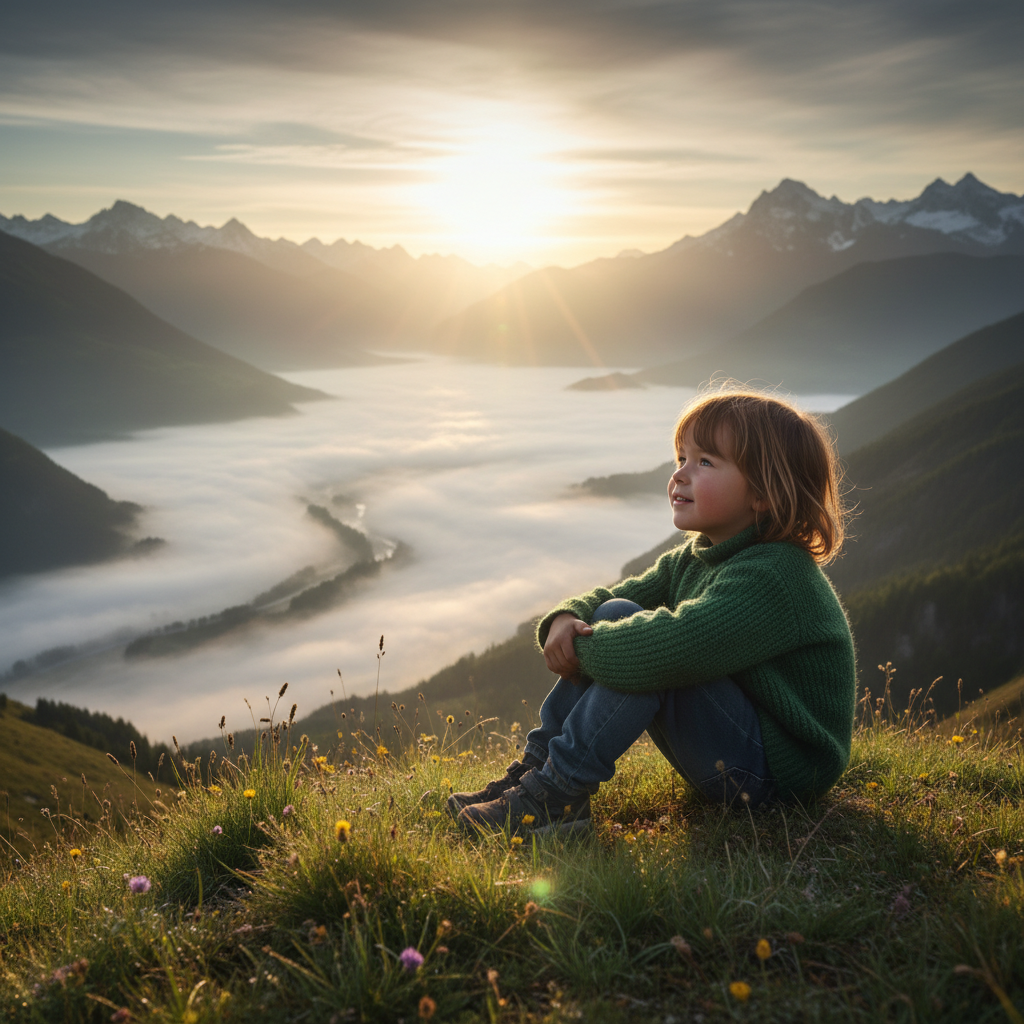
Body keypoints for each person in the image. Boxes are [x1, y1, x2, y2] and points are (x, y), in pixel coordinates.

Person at [450, 386, 857, 836]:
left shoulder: (775, 574)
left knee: (652, 652)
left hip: (775, 776)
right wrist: (569, 617)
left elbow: (676, 647)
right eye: (681, 457)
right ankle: (535, 773)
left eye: (704, 462)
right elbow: (623, 597)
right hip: (734, 749)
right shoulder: (700, 554)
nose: (680, 474)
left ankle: (557, 794)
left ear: (763, 493)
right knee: (618, 611)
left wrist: (580, 650)